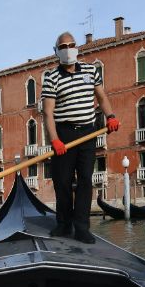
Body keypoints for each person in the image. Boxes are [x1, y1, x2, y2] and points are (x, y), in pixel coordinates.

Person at [41, 31, 119, 244]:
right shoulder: (51, 77)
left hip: (88, 132)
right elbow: (48, 112)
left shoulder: (90, 70)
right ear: (57, 51)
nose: (68, 49)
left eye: (71, 45)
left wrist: (110, 116)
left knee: (85, 180)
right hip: (64, 133)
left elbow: (101, 97)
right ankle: (64, 224)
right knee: (63, 182)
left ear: (77, 48)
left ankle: (82, 227)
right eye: (63, 46)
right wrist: (55, 139)